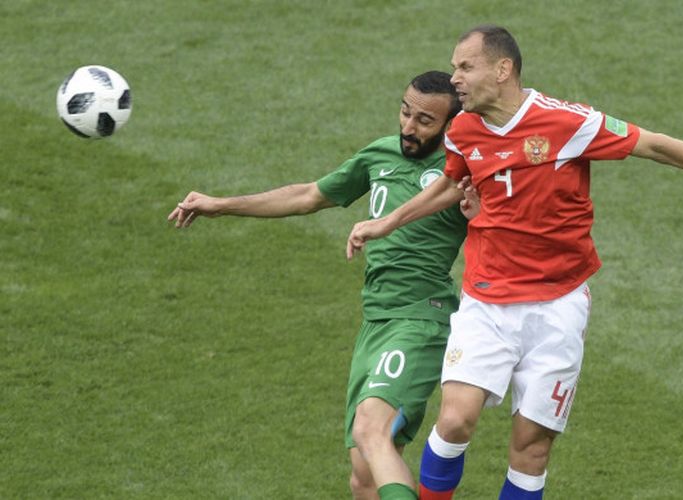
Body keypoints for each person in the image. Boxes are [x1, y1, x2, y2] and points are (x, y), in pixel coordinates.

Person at [346, 25, 683, 499]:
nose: (455, 77)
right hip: (487, 299)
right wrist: (388, 222)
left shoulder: (568, 123)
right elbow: (455, 183)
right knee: (454, 419)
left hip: (557, 305)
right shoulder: (462, 129)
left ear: (503, 69)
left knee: (531, 448)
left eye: (464, 66)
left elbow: (653, 144)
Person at [168, 71, 474, 500]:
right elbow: (308, 196)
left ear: (450, 126)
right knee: (363, 475)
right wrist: (222, 205)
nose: (408, 126)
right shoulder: (380, 155)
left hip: (421, 319)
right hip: (375, 322)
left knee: (371, 428)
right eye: (405, 112)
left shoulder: (461, 173)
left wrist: (477, 210)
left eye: (425, 120)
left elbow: (498, 230)